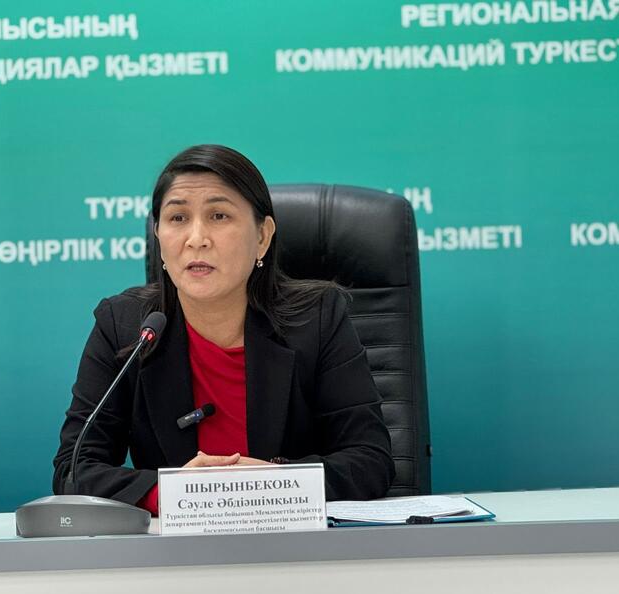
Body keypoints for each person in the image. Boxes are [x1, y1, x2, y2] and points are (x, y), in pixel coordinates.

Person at [53, 144, 394, 514]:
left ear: (262, 237)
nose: (196, 238)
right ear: (159, 236)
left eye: (218, 215)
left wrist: (276, 484)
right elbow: (73, 470)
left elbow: (370, 461)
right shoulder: (125, 326)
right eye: (178, 218)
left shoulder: (317, 319)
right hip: (177, 546)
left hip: (293, 541)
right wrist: (172, 493)